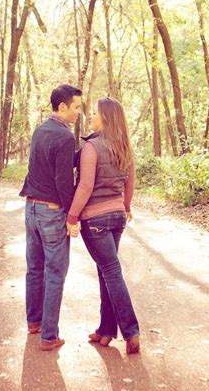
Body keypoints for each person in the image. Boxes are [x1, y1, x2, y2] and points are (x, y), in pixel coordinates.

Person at [66, 97, 140, 354]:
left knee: (111, 271)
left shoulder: (92, 147)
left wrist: (72, 217)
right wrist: (126, 206)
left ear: (105, 118)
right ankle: (106, 330)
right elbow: (130, 183)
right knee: (106, 270)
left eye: (95, 113)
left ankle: (131, 330)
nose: (91, 117)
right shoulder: (124, 146)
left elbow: (85, 186)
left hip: (95, 219)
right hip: (118, 216)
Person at [20, 84, 82, 351]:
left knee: (34, 269)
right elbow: (63, 181)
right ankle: (49, 335)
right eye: (77, 107)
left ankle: (34, 323)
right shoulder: (65, 138)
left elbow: (50, 164)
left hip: (31, 209)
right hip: (51, 212)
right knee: (55, 272)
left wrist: (83, 153)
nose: (79, 112)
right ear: (63, 106)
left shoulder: (41, 131)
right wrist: (72, 217)